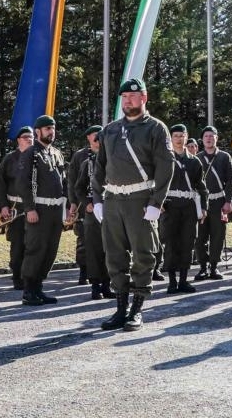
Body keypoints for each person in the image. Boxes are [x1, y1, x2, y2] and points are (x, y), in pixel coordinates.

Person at [92, 78, 173, 332]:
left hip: (140, 200)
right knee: (114, 255)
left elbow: (165, 167)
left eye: (133, 96)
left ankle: (136, 310)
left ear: (144, 98)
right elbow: (99, 168)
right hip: (113, 200)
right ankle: (120, 308)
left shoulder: (156, 129)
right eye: (124, 96)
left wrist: (156, 203)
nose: (127, 100)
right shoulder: (111, 130)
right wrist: (97, 200)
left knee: (142, 254)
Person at [16, 115, 68, 306]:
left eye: (52, 128)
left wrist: (68, 206)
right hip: (39, 208)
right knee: (36, 249)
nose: (51, 132)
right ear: (37, 132)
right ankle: (29, 291)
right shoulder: (31, 153)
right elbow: (23, 183)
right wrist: (29, 208)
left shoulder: (56, 153)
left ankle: (39, 288)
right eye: (47, 129)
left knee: (50, 249)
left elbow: (64, 181)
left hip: (55, 209)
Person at [160, 124, 208, 294]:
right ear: (171, 139)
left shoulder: (194, 161)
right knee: (171, 243)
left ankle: (183, 281)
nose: (179, 139)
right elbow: (155, 183)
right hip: (170, 206)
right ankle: (172, 281)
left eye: (182, 135)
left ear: (187, 137)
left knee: (188, 243)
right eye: (176, 136)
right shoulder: (165, 159)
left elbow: (201, 187)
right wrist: (158, 203)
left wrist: (203, 208)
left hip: (188, 206)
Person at [71, 129, 115, 300]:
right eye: (98, 141)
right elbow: (78, 187)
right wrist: (87, 203)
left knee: (111, 249)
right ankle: (95, 286)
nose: (100, 144)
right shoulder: (88, 163)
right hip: (93, 212)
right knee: (94, 250)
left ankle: (107, 285)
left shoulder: (116, 161)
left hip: (112, 210)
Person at [194, 126, 232, 281]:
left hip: (219, 201)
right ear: (202, 139)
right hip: (202, 203)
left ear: (216, 138)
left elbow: (231, 180)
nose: (209, 139)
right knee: (200, 237)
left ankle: (214, 266)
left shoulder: (224, 157)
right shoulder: (197, 158)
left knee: (218, 235)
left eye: (212, 136)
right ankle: (203, 267)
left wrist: (228, 201)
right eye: (206, 136)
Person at [0, 126, 33, 289]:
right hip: (15, 207)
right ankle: (17, 277)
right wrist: (4, 205)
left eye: (31, 137)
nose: (29, 139)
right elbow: (0, 184)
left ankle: (30, 277)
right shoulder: (10, 159)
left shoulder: (38, 157)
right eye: (25, 137)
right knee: (17, 244)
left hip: (34, 207)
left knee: (33, 244)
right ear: (18, 140)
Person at [67, 125, 101, 286]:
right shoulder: (80, 156)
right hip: (84, 204)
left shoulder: (110, 154)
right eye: (94, 135)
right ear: (88, 137)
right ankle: (84, 271)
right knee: (84, 239)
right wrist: (73, 203)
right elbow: (73, 181)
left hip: (105, 204)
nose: (97, 138)